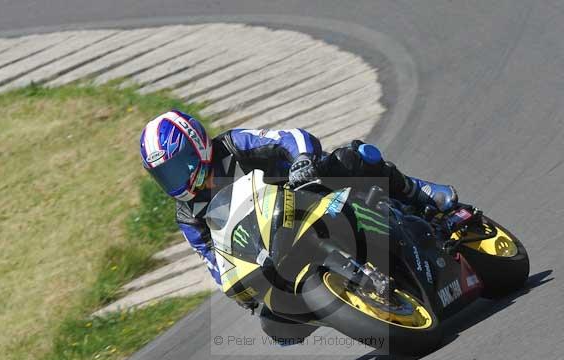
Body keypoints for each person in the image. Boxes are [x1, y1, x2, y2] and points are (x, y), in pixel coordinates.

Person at [139, 110, 458, 316]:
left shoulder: (234, 145)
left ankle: (418, 193)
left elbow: (290, 138)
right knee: (273, 322)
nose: (179, 178)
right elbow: (213, 261)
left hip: (306, 191)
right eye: (166, 174)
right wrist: (239, 291)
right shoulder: (188, 214)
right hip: (272, 248)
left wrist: (302, 160)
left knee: (352, 157)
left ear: (198, 144)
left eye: (180, 165)